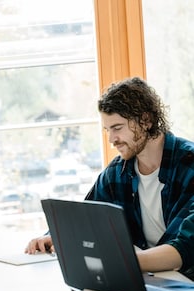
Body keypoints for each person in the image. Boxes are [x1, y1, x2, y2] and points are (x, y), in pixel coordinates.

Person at [25, 77, 194, 278]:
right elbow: (88, 218)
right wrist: (54, 237)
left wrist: (120, 261)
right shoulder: (118, 172)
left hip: (186, 283)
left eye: (117, 128)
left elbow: (185, 248)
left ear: (146, 121)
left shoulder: (189, 166)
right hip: (147, 278)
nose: (111, 139)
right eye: (107, 130)